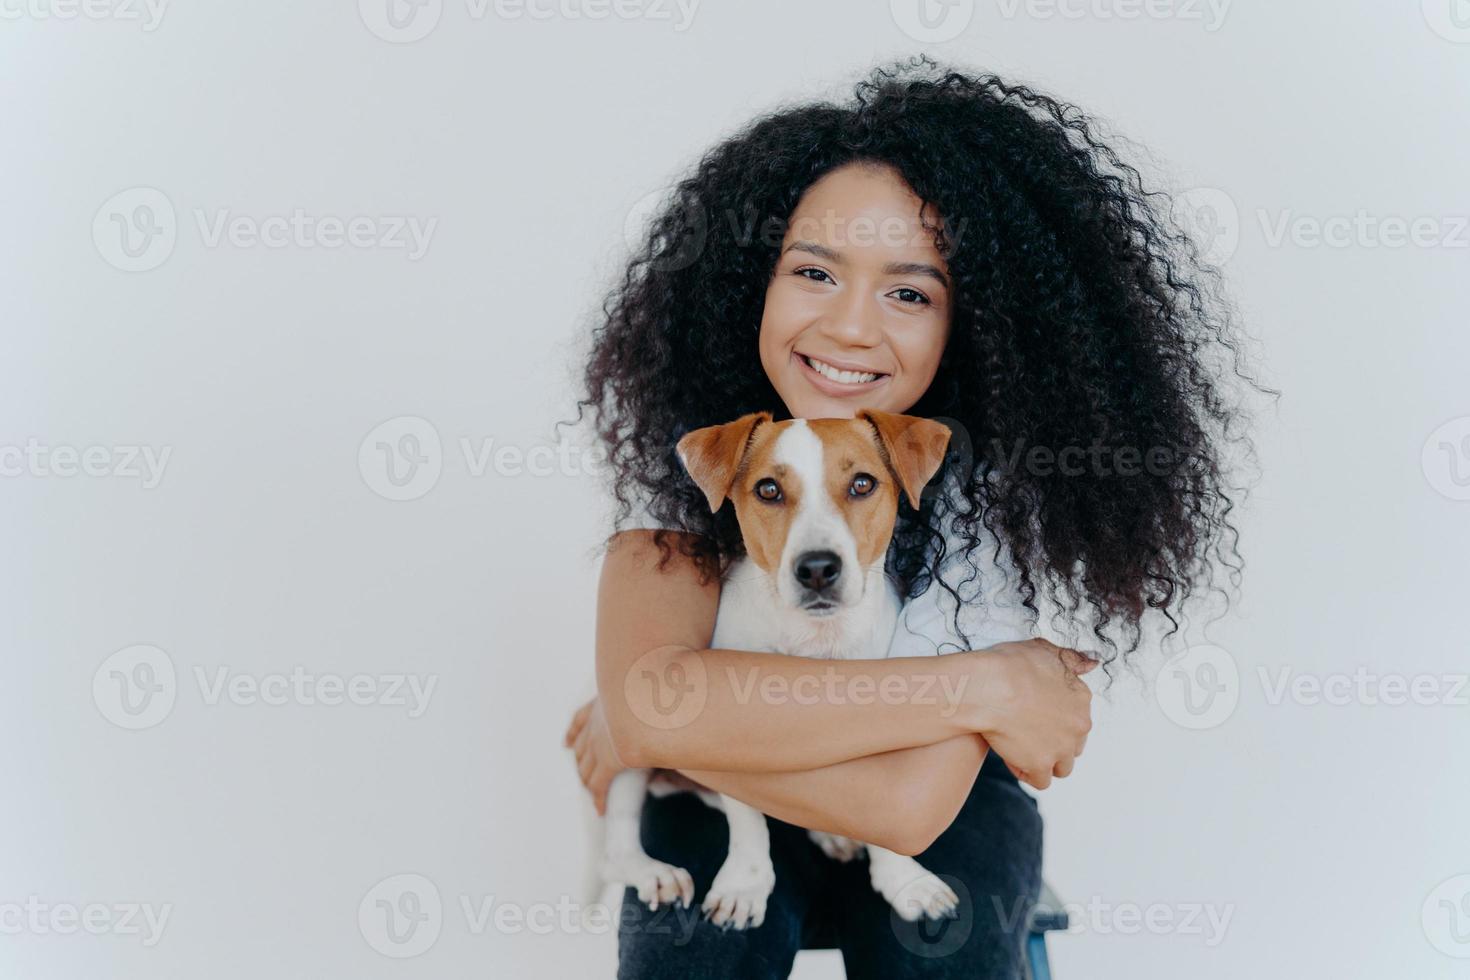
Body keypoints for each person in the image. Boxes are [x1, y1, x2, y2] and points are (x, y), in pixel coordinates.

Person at [560, 54, 1259, 979]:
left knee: (940, 948)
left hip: (935, 789)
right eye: (814, 270)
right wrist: (993, 688)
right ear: (747, 282)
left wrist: (677, 728)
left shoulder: (985, 488)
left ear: (970, 321)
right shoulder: (694, 458)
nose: (852, 328)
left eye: (909, 291)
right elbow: (655, 707)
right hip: (743, 805)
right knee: (694, 944)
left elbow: (904, 805)